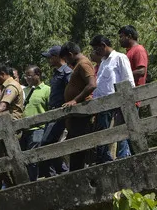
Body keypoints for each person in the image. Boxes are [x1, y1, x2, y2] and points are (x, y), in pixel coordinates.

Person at [89, 34, 133, 163]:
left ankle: (124, 160)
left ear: (103, 46)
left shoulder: (119, 57)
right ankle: (106, 161)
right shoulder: (103, 61)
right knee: (105, 135)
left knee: (119, 134)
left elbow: (128, 80)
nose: (95, 52)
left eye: (96, 49)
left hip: (116, 103)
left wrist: (127, 102)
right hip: (103, 105)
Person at [59, 42, 97, 172]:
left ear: (70, 54)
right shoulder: (78, 65)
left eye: (66, 58)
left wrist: (75, 100)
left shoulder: (83, 64)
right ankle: (76, 173)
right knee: (75, 147)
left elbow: (92, 85)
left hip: (82, 113)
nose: (66, 62)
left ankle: (78, 174)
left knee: (79, 148)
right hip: (77, 115)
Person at [37, 45, 72, 178]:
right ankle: (60, 173)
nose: (49, 60)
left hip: (60, 113)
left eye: (50, 57)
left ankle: (58, 174)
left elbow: (70, 92)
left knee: (46, 144)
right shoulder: (57, 73)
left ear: (57, 57)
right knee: (48, 144)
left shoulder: (66, 73)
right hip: (53, 113)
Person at [21, 65, 51, 180]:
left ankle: (33, 182)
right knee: (23, 157)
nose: (27, 78)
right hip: (23, 130)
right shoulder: (24, 91)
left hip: (38, 128)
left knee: (32, 157)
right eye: (26, 76)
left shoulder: (47, 90)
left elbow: (50, 109)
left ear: (38, 75)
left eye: (29, 75)